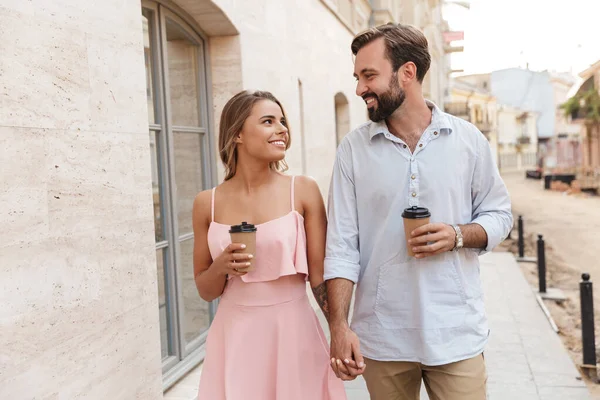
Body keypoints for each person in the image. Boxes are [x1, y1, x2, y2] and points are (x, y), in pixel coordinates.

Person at [324, 23, 513, 400]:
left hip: (455, 332)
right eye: (358, 77)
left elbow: (499, 214)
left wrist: (457, 235)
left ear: (407, 73)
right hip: (382, 335)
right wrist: (339, 328)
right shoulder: (353, 149)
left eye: (369, 75)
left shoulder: (468, 141)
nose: (360, 88)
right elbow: (342, 245)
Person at [193, 90, 347, 400]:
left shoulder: (302, 190)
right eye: (268, 121)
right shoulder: (205, 203)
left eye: (282, 121)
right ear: (237, 133)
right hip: (234, 335)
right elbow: (205, 290)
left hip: (293, 332)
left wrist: (340, 331)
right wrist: (221, 266)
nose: (282, 130)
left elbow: (319, 276)